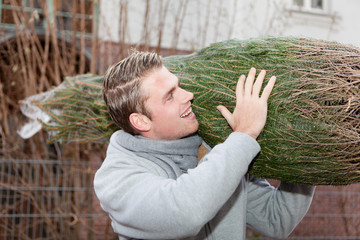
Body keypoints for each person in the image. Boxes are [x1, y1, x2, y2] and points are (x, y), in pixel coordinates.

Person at [94, 50, 315, 240]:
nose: (188, 95)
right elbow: (185, 213)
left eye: (178, 86)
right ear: (141, 121)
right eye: (170, 96)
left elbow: (275, 219)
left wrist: (306, 147)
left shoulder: (214, 150)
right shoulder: (116, 179)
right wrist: (245, 133)